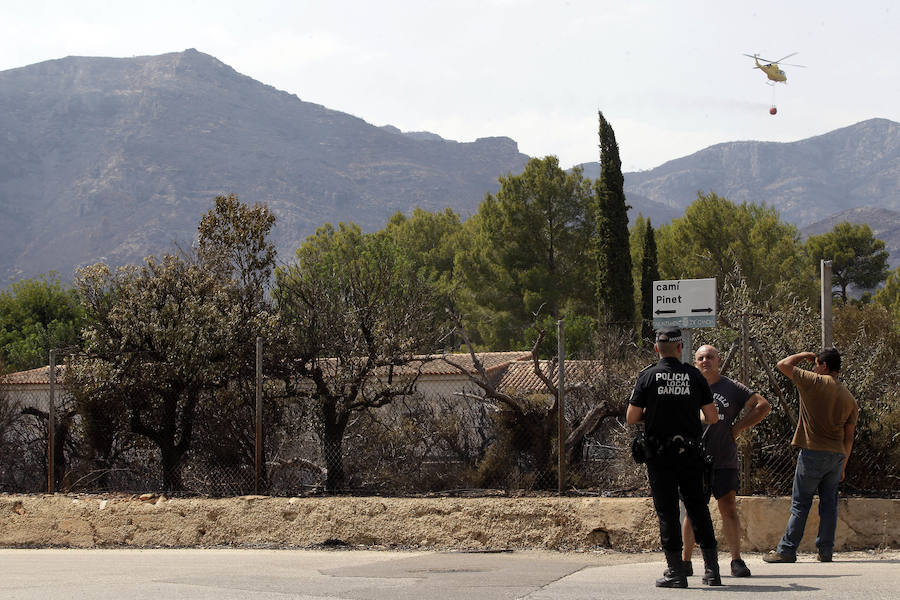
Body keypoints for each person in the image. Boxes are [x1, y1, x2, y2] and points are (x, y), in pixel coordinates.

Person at [627, 327, 722, 588]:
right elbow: (712, 417)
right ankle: (712, 571)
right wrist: (689, 415)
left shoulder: (647, 377)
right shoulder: (694, 376)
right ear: (681, 349)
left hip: (659, 457)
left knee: (667, 512)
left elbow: (631, 417)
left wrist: (657, 413)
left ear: (657, 349)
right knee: (698, 509)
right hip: (690, 455)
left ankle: (676, 572)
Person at [681, 344, 771, 578]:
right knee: (692, 511)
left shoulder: (731, 388)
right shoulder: (688, 387)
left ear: (718, 360)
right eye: (700, 358)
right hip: (695, 460)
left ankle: (736, 560)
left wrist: (738, 428)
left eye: (710, 357)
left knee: (728, 509)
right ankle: (685, 561)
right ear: (695, 362)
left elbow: (763, 406)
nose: (705, 361)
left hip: (724, 459)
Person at [763, 348, 858, 563]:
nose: (812, 367)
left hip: (813, 452)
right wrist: (843, 464)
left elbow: (782, 365)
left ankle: (787, 550)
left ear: (824, 366)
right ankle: (825, 551)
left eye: (815, 364)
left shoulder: (814, 381)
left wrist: (803, 354)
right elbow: (849, 437)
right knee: (829, 504)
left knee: (801, 503)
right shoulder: (849, 398)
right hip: (837, 456)